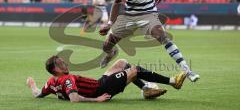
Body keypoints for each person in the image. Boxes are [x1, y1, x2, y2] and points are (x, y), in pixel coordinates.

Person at [98, 0, 200, 82]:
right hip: (130, 15)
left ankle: (187, 70)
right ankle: (111, 54)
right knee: (106, 45)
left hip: (148, 13)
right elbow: (117, 1)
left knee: (163, 37)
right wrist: (110, 23)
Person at [27, 56, 187, 102]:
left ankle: (145, 89)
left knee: (122, 63)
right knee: (135, 70)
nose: (65, 63)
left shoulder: (51, 83)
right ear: (56, 69)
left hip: (99, 82)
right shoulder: (67, 79)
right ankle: (174, 82)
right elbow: (74, 98)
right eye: (61, 63)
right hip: (102, 88)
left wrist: (32, 84)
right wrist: (96, 100)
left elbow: (37, 94)